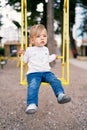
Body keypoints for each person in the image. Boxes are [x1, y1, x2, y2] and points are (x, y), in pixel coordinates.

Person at [19, 24, 71, 114]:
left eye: (44, 36)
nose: (42, 38)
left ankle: (60, 95)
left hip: (46, 72)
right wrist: (21, 54)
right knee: (33, 85)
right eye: (38, 36)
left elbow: (47, 59)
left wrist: (54, 56)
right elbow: (25, 61)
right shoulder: (29, 50)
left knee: (55, 80)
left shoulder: (46, 49)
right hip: (33, 73)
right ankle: (32, 104)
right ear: (32, 40)